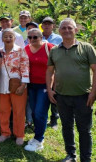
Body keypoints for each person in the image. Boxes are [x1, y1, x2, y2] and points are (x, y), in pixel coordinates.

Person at [46, 18, 96, 162]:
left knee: (84, 130)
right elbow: (50, 71)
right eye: (64, 28)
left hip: (83, 96)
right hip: (61, 96)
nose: (67, 30)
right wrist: (49, 89)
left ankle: (85, 158)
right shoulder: (54, 50)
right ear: (59, 31)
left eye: (70, 28)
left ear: (76, 30)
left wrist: (93, 92)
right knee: (66, 127)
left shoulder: (86, 48)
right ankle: (71, 155)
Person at [0, 28, 29, 146]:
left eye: (11, 36)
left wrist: (23, 84)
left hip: (18, 85)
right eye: (6, 36)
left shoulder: (20, 50)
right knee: (3, 110)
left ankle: (19, 134)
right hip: (2, 85)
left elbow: (25, 67)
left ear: (15, 38)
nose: (8, 38)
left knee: (19, 111)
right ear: (2, 38)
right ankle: (5, 132)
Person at [23, 28, 54, 152]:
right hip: (31, 85)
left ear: (41, 37)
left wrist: (51, 87)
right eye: (29, 37)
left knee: (40, 112)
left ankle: (39, 139)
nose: (32, 40)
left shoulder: (50, 48)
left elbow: (55, 67)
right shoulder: (26, 49)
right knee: (35, 112)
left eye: (35, 37)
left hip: (44, 85)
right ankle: (38, 135)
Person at [41, 16, 63, 129]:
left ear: (53, 26)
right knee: (43, 94)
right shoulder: (38, 36)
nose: (47, 26)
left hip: (55, 69)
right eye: (45, 24)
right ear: (42, 25)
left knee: (54, 93)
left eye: (49, 24)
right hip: (41, 69)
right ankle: (41, 118)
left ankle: (54, 119)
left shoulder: (59, 38)